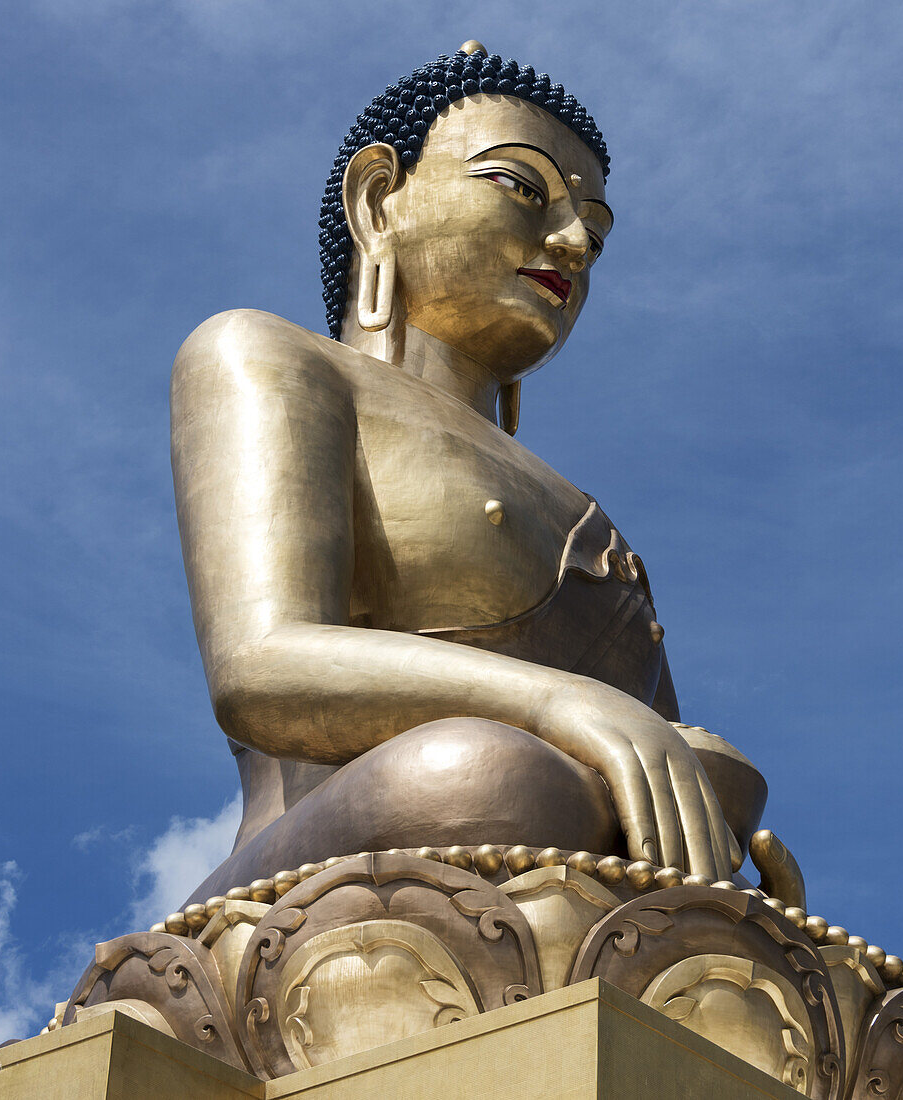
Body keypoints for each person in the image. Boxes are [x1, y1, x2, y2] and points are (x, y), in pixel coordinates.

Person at [172, 44, 767, 903]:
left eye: (594, 230)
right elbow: (257, 667)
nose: (573, 245)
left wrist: (722, 844)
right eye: (524, 189)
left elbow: (657, 748)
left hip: (579, 865)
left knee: (723, 779)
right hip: (338, 861)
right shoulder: (269, 357)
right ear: (378, 201)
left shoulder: (592, 520)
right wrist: (557, 705)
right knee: (478, 772)